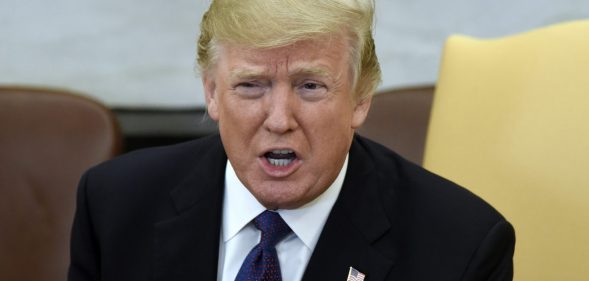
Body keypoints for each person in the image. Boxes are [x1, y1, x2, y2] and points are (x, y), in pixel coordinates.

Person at [68, 0, 515, 280]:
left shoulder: (461, 247)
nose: (279, 120)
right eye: (250, 86)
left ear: (360, 98)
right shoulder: (114, 205)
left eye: (310, 86)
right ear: (211, 92)